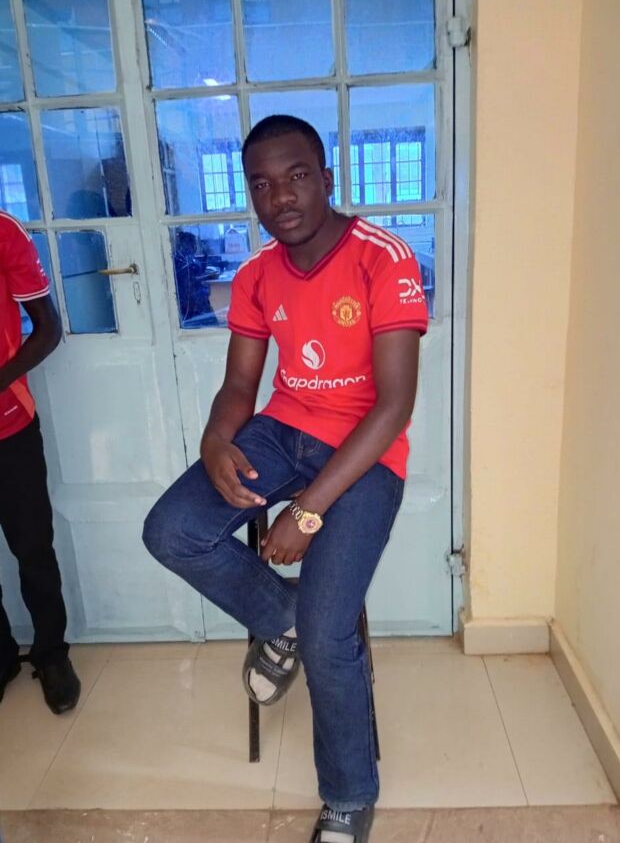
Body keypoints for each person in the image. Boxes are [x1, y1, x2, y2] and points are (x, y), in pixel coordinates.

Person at [143, 115, 428, 843]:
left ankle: (349, 795)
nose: (281, 198)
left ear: (327, 178)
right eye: (263, 185)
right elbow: (242, 384)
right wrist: (216, 437)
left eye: (297, 177)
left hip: (364, 454)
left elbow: (394, 405)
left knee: (333, 637)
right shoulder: (256, 273)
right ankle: (285, 618)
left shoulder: (383, 258)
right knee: (173, 530)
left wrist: (307, 511)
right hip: (282, 430)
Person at [0, 210, 81, 715]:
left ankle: (51, 654)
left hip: (9, 425)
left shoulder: (3, 232)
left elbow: (48, 329)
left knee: (32, 546)